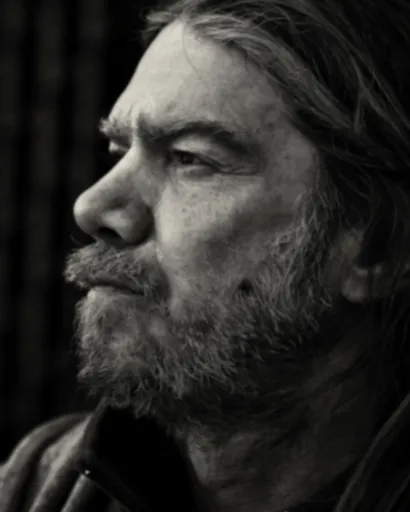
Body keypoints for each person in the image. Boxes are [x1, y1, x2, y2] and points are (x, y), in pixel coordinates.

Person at [2, 0, 410, 510]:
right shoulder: (38, 484)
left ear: (376, 248)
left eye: (188, 159)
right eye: (119, 151)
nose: (92, 207)